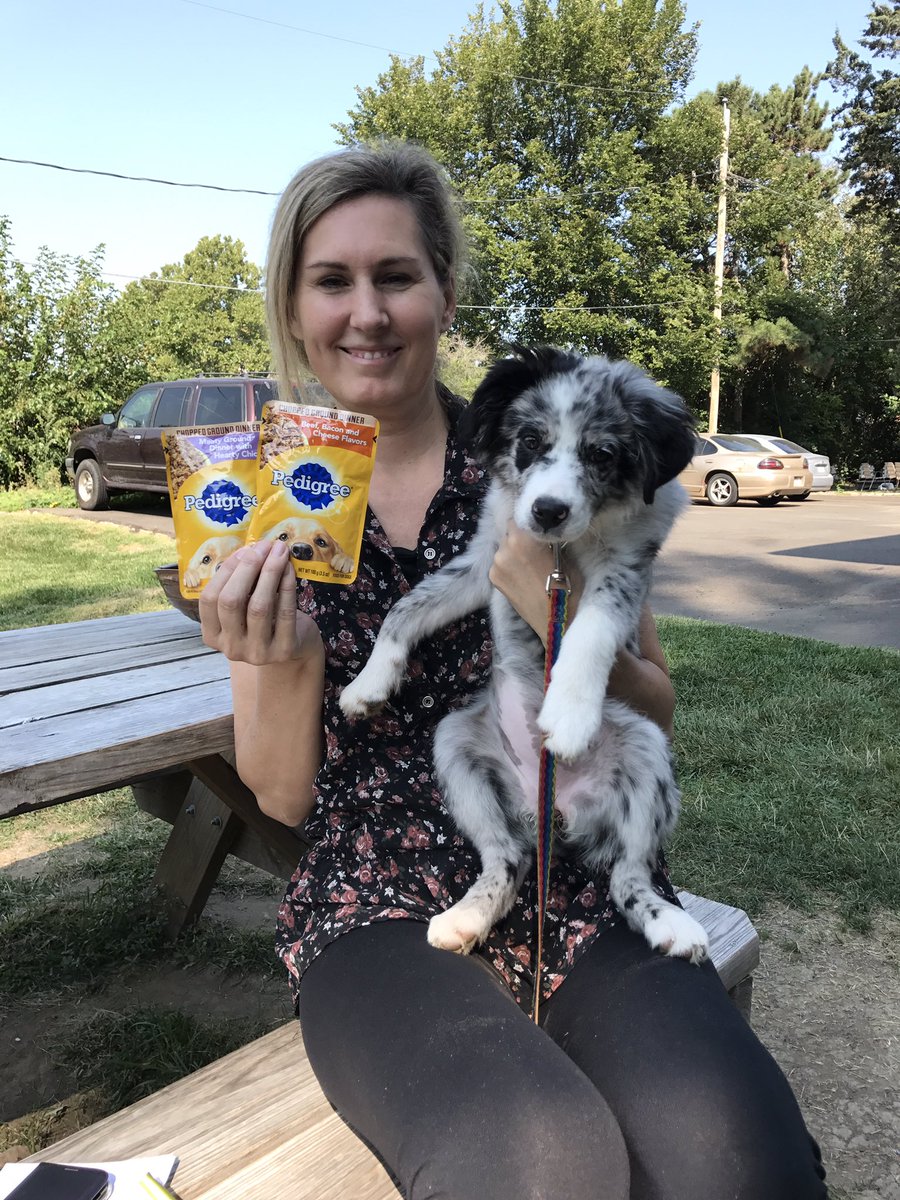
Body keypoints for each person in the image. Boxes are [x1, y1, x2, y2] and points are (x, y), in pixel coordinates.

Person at [199, 141, 828, 1200]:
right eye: (332, 281)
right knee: (538, 1160)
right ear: (295, 306)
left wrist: (573, 608)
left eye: (396, 276)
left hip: (575, 874)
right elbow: (283, 796)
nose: (367, 312)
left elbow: (657, 705)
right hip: (377, 897)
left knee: (736, 1154)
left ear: (444, 292)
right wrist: (286, 656)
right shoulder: (273, 496)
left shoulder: (544, 449)